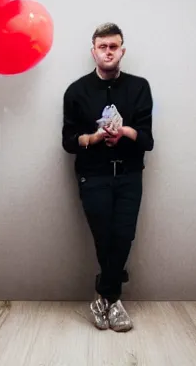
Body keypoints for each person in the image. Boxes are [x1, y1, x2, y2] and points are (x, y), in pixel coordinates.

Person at [62, 23, 154, 332]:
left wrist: (124, 132)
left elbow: (148, 141)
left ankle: (105, 298)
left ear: (122, 51)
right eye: (103, 47)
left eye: (114, 46)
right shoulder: (76, 91)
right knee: (105, 239)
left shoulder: (139, 87)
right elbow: (68, 142)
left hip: (129, 176)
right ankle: (112, 300)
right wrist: (98, 137)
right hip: (94, 177)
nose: (108, 52)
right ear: (94, 52)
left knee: (124, 237)